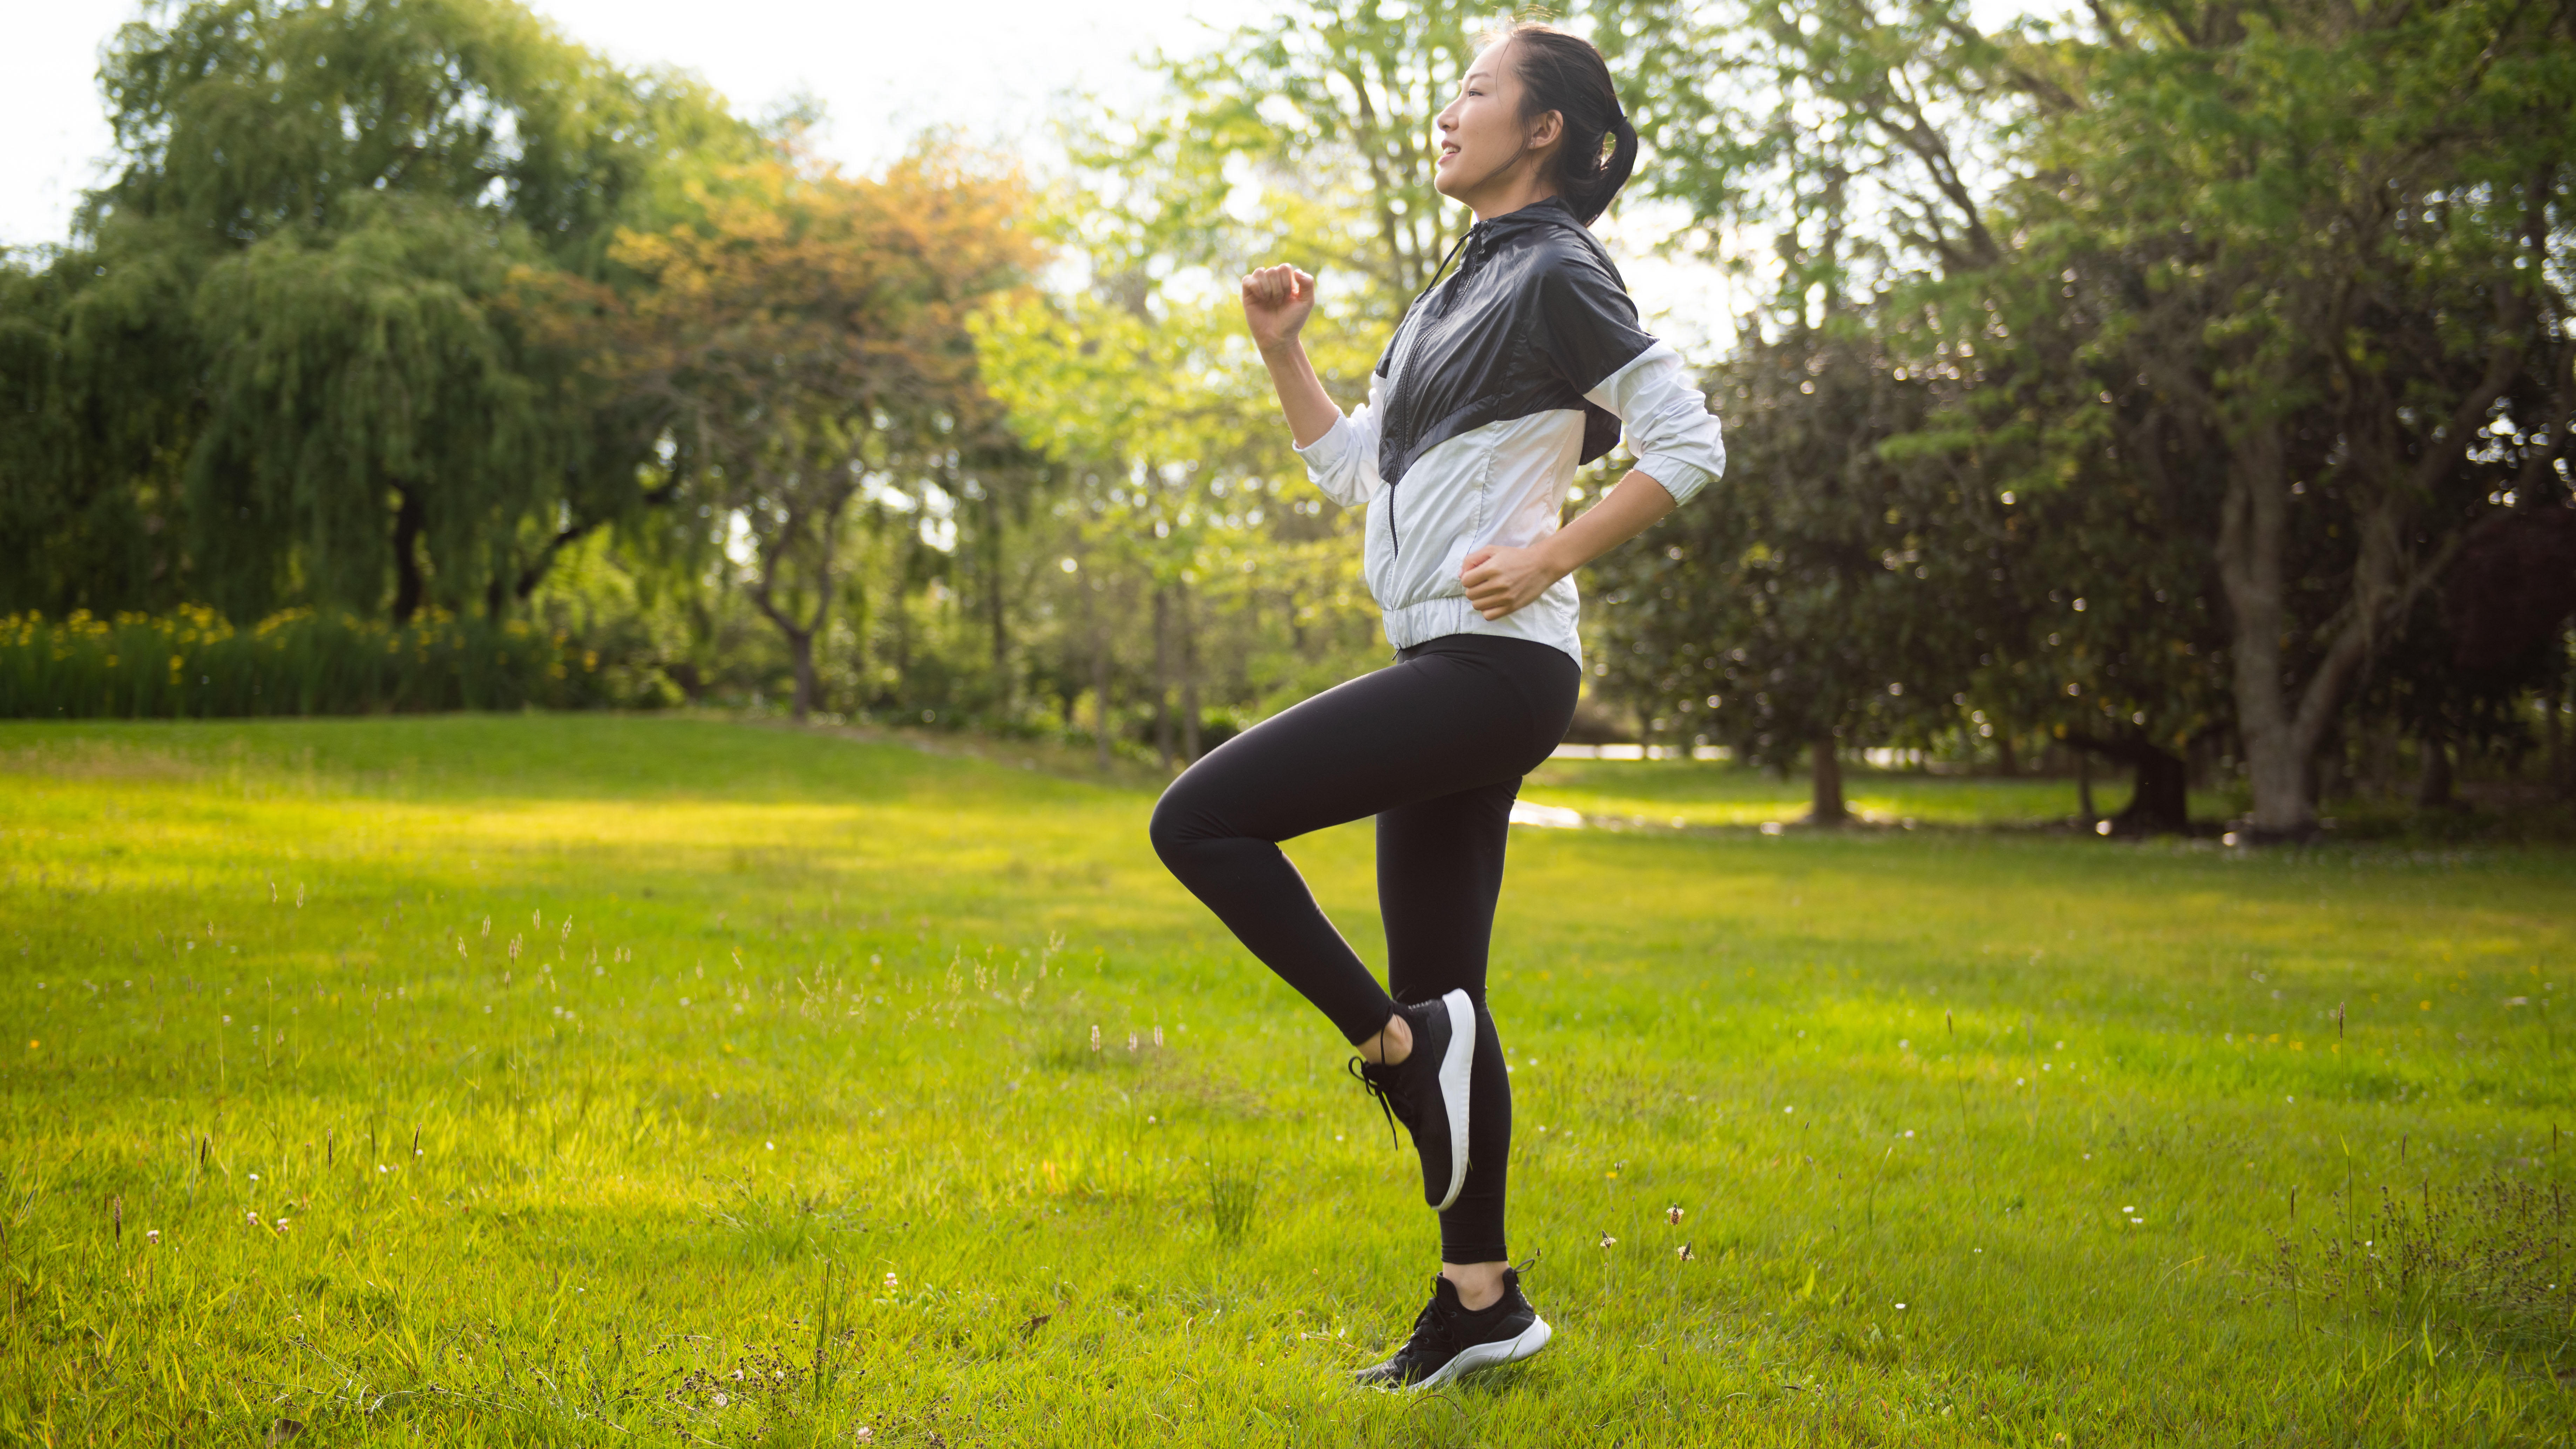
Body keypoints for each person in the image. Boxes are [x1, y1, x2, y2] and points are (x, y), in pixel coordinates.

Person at [1148, 20, 1724, 1392]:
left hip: (1489, 663)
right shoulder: (1452, 294)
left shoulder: (1559, 272)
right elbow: (1357, 473)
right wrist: (1284, 350)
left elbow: (1689, 438)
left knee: (1202, 817)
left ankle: (1396, 1050)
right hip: (1453, 662)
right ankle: (1481, 1299)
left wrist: (1545, 553)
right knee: (1449, 984)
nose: (1448, 109)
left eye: (1476, 89)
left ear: (1544, 132)